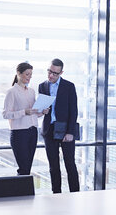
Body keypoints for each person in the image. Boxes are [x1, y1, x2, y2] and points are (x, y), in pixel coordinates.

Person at [39, 58, 79, 193]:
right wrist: (41, 110)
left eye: (55, 73)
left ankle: (75, 194)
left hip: (65, 130)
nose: (51, 75)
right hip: (49, 130)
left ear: (61, 72)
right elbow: (41, 108)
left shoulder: (69, 86)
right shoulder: (42, 86)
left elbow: (74, 111)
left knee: (70, 164)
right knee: (53, 167)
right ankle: (56, 195)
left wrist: (70, 132)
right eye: (49, 71)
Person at [3, 62, 49, 175]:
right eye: (27, 74)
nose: (29, 77)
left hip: (33, 131)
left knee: (27, 168)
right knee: (23, 168)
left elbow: (33, 113)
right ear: (19, 73)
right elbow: (6, 114)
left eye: (31, 75)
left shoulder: (31, 91)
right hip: (19, 133)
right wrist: (23, 112)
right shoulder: (12, 92)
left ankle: (24, 192)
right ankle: (22, 192)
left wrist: (42, 112)